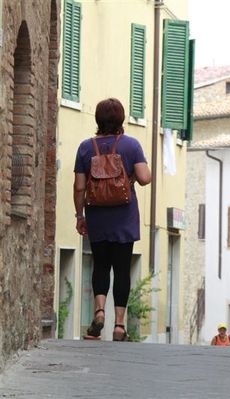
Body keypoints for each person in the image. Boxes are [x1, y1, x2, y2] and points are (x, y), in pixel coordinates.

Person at [74, 98, 151, 341]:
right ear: (121, 119)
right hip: (124, 216)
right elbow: (146, 177)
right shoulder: (131, 145)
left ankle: (99, 312)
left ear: (97, 119)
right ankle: (119, 326)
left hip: (97, 215)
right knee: (121, 269)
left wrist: (79, 215)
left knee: (100, 265)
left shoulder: (86, 148)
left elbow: (78, 187)